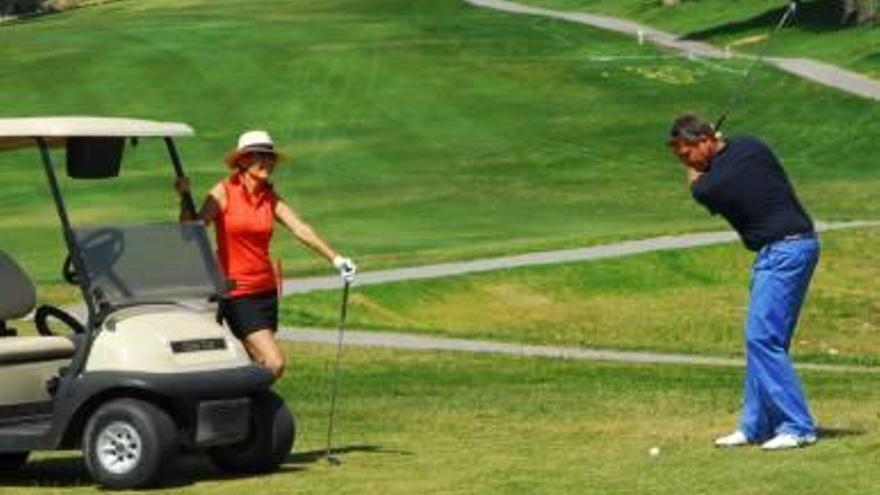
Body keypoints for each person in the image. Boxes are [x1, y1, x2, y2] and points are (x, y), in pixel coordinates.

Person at [667, 113, 820, 451]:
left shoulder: (710, 186)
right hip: (784, 249)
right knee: (761, 340)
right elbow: (728, 155)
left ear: (705, 140)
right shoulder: (752, 146)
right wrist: (717, 143)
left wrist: (699, 163)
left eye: (685, 154)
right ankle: (755, 425)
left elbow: (695, 183)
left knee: (763, 339)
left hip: (786, 250)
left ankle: (798, 426)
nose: (685, 161)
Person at [175, 130, 356, 380]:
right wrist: (184, 198)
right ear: (243, 160)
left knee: (258, 364)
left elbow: (299, 228)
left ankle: (247, 414)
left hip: (266, 292)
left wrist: (336, 259)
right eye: (261, 156)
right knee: (274, 362)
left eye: (270, 157)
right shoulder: (224, 191)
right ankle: (238, 409)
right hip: (237, 293)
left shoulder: (268, 197)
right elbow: (190, 233)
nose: (268, 162)